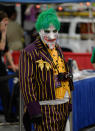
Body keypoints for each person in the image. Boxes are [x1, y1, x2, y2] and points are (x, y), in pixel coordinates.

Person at [19, 8, 74, 131]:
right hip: (45, 108)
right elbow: (26, 83)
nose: (51, 35)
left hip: (63, 105)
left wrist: (69, 101)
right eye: (47, 31)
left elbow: (62, 72)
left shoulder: (58, 48)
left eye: (55, 31)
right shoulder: (30, 52)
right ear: (39, 30)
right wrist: (34, 110)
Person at [0, 11, 18, 122]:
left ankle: (9, 116)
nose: (6, 25)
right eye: (4, 22)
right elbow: (1, 47)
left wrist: (12, 65)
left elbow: (6, 51)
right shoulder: (2, 33)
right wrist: (4, 32)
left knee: (6, 92)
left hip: (1, 67)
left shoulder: (2, 33)